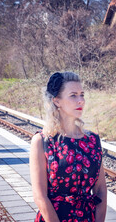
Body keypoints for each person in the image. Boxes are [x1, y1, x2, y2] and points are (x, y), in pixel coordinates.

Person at [30, 71, 107, 222]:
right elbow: (40, 197)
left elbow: (100, 191)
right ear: (57, 101)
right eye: (73, 95)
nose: (81, 101)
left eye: (82, 95)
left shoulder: (93, 141)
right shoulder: (42, 141)